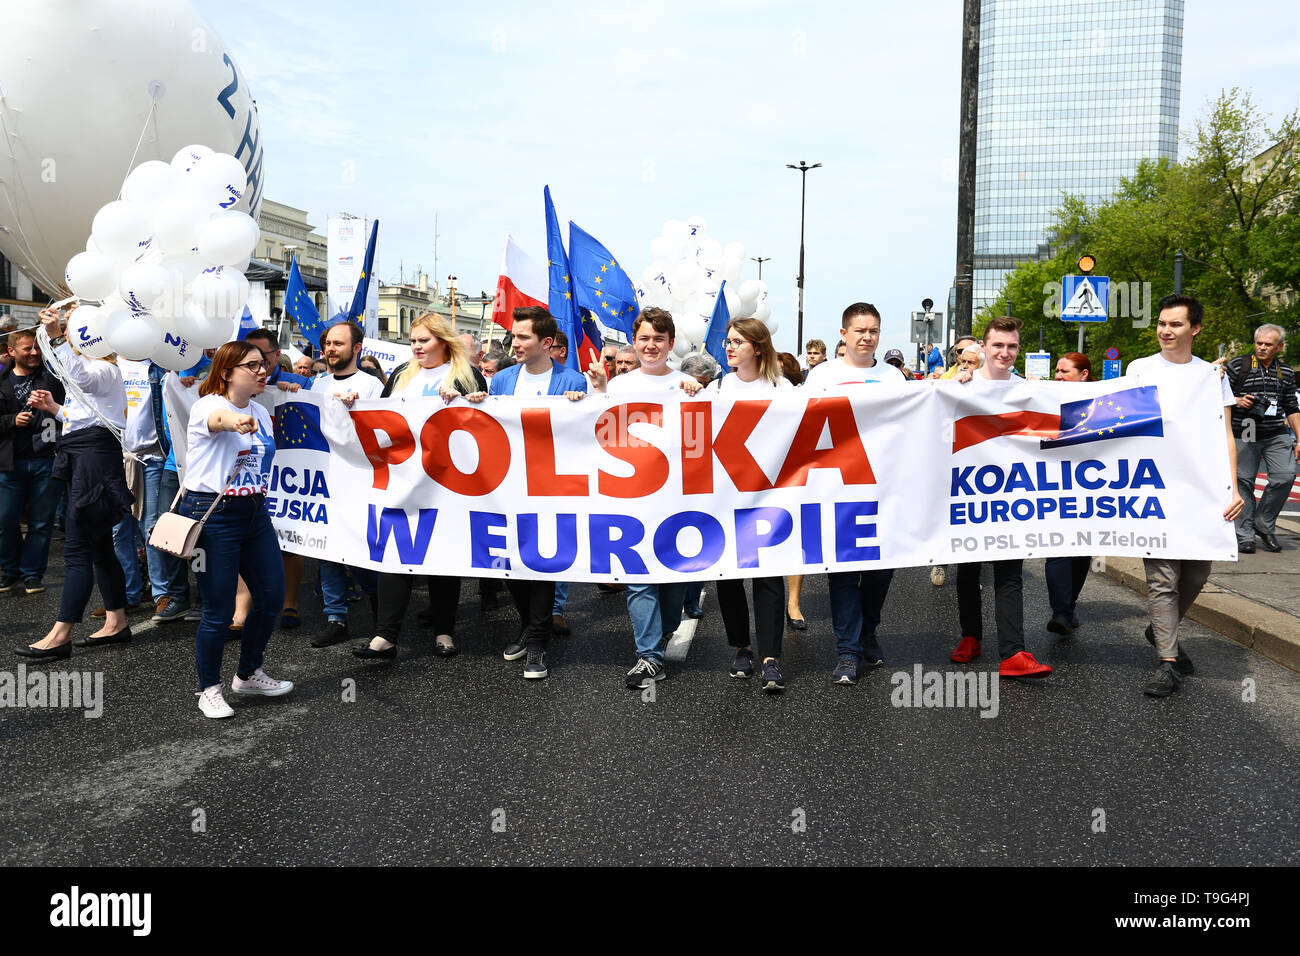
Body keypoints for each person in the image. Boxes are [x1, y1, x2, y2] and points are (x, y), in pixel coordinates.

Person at [578, 307, 703, 688]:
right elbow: (594, 432)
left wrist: (699, 400)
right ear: (635, 341)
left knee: (671, 580)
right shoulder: (618, 386)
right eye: (644, 338)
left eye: (659, 339)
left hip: (675, 499)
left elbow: (699, 442)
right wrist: (595, 394)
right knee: (638, 577)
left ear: (670, 343)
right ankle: (648, 656)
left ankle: (663, 631)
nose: (651, 346)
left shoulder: (687, 384)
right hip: (629, 498)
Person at [1126, 294, 1243, 697]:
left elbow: (1225, 432)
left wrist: (1235, 485)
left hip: (1200, 490)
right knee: (1163, 579)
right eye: (1161, 323)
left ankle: (1161, 627)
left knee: (1196, 573)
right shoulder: (1139, 369)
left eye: (1175, 324)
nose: (1165, 330)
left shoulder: (1212, 376)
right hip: (1154, 487)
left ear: (1195, 329)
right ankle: (1167, 663)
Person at [355, 314, 489, 662]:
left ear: (444, 341)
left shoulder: (466, 374)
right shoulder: (402, 375)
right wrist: (353, 406)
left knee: (443, 555)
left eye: (425, 340)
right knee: (395, 552)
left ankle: (444, 630)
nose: (417, 347)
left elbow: (487, 423)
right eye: (413, 340)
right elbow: (380, 417)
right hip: (403, 479)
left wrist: (462, 400)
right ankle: (385, 635)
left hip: (448, 483)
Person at [464, 306, 586, 679]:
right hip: (508, 486)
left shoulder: (573, 382)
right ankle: (528, 626)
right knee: (510, 563)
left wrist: (582, 408)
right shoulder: (501, 381)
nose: (513, 343)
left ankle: (536, 643)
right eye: (513, 336)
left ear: (546, 343)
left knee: (542, 562)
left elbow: (581, 436)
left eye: (522, 337)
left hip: (549, 488)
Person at [180, 340, 292, 717]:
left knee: (272, 596)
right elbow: (219, 421)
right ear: (227, 372)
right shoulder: (208, 405)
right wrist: (235, 421)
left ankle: (248, 673)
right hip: (213, 514)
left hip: (255, 512)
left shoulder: (261, 408)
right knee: (218, 608)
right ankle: (208, 688)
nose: (263, 371)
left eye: (264, 364)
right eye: (252, 366)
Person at [16, 306, 134, 660]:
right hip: (87, 456)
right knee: (99, 547)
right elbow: (86, 415)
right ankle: (116, 622)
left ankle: (61, 634)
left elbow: (82, 379)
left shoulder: (105, 369)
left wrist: (54, 336)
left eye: (72, 333)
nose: (68, 336)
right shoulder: (98, 371)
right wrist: (55, 408)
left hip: (93, 462)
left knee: (78, 549)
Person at [804, 303, 907, 684]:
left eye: (874, 331)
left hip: (885, 489)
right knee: (844, 574)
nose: (867, 337)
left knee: (880, 571)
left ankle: (867, 630)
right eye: (860, 330)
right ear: (844, 334)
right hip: (837, 491)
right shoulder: (822, 376)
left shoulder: (894, 379)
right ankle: (847, 650)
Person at [949, 316, 1052, 679]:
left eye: (1012, 346)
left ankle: (1013, 652)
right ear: (983, 346)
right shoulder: (960, 385)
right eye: (998, 345)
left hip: (1012, 495)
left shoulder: (1028, 388)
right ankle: (970, 637)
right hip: (968, 491)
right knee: (968, 569)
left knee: (1009, 573)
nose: (1005, 352)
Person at [706, 318, 792, 692]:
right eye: (728, 341)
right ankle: (742, 647)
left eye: (738, 342)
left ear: (757, 347)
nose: (729, 347)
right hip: (726, 495)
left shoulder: (781, 387)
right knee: (728, 575)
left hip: (769, 495)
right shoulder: (717, 386)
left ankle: (771, 656)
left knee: (769, 576)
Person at [308, 321, 383, 647]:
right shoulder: (317, 384)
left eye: (338, 343)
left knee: (360, 550)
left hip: (360, 482)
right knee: (328, 550)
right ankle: (335, 617)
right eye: (328, 343)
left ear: (356, 349)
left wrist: (360, 412)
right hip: (324, 481)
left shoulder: (371, 387)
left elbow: (382, 433)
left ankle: (381, 607)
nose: (330, 349)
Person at [0, 326, 65, 594]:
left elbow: (66, 411)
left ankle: (32, 574)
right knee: (5, 521)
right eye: (28, 349)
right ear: (11, 352)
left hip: (44, 459)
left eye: (36, 348)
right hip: (8, 463)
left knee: (40, 522)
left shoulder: (50, 380)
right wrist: (10, 420)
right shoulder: (1, 381)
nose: (34, 353)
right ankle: (9, 571)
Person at [1225, 323, 1299, 554]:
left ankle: (1263, 523)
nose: (1263, 348)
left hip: (1276, 431)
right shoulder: (1239, 365)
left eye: (1268, 344)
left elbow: (1291, 406)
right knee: (1244, 481)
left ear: (1280, 347)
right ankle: (1245, 535)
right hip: (1245, 428)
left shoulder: (1285, 372)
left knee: (1285, 476)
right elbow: (1216, 395)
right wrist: (1237, 400)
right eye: (1259, 343)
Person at [1043, 352, 1094, 635]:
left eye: (1065, 371)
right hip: (1055, 486)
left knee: (1082, 550)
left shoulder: (1102, 401)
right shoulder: (1047, 397)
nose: (1058, 376)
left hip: (1090, 488)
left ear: (1084, 374)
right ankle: (1060, 611)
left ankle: (1069, 606)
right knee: (1058, 548)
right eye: (1057, 371)